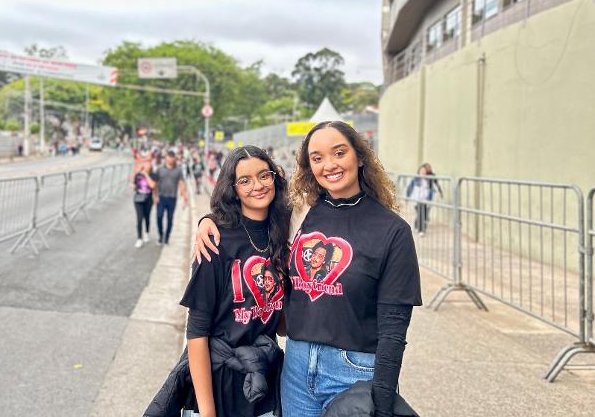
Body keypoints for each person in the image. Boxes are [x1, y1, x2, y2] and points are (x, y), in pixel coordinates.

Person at [195, 121, 422, 417]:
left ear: (360, 156)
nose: (329, 165)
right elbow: (250, 215)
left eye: (339, 153)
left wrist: (383, 404)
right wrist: (208, 221)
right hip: (296, 368)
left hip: (354, 373)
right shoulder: (301, 212)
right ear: (308, 166)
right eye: (317, 158)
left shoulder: (392, 232)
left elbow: (394, 330)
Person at [145, 146, 290, 417]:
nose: (257, 186)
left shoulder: (282, 237)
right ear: (232, 189)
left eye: (264, 176)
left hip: (264, 384)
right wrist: (208, 413)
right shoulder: (215, 242)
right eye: (245, 180)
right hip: (217, 385)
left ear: (275, 178)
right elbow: (197, 333)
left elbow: (281, 328)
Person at [154, 151, 189, 245]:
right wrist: (156, 196)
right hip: (161, 197)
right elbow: (155, 184)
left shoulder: (178, 170)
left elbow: (181, 184)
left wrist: (185, 197)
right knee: (159, 217)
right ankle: (161, 235)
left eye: (172, 158)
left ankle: (167, 238)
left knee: (170, 219)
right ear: (166, 158)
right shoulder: (159, 169)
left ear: (174, 159)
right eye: (169, 157)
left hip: (172, 198)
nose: (170, 159)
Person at [406, 163, 441, 236]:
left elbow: (432, 188)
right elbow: (410, 187)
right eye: (422, 171)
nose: (423, 172)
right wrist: (407, 197)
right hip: (417, 200)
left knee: (422, 214)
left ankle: (417, 226)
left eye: (424, 171)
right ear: (419, 172)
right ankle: (421, 230)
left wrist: (432, 197)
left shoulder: (428, 179)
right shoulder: (416, 179)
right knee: (420, 214)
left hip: (425, 200)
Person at [130, 157, 157, 248]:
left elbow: (152, 185)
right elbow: (134, 184)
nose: (146, 165)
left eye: (148, 164)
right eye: (145, 163)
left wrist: (146, 174)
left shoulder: (153, 175)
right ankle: (139, 238)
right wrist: (133, 186)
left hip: (148, 199)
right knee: (139, 219)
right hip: (138, 199)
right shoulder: (138, 175)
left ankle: (147, 232)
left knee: (147, 218)